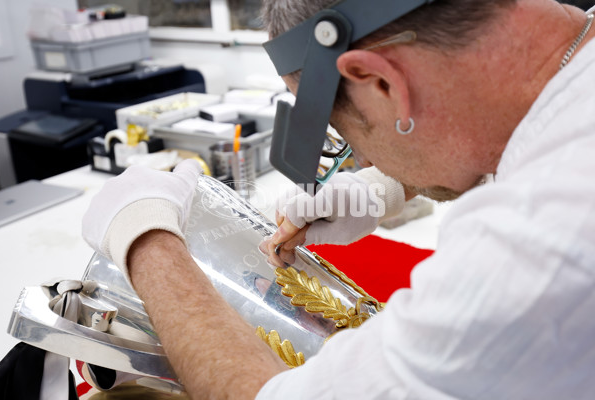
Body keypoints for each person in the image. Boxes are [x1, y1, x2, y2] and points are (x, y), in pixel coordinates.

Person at [82, 0, 595, 398]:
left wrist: (146, 237)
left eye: (341, 131)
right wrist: (391, 187)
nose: (367, 159)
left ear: (378, 80)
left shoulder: (536, 241)